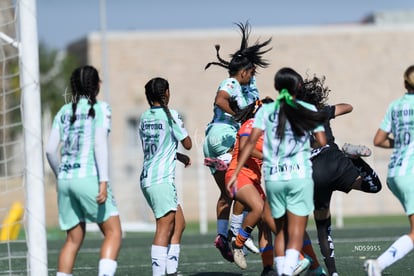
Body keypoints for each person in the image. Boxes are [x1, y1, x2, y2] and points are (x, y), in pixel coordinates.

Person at [227, 67, 328, 276]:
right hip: (298, 176)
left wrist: (235, 172)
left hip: (274, 178)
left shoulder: (265, 112)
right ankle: (294, 266)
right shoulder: (305, 107)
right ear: (298, 87)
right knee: (296, 230)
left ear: (276, 87)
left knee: (278, 228)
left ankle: (281, 269)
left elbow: (250, 144)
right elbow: (322, 141)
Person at [296, 74, 382, 276]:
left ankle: (333, 272)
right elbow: (348, 107)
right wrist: (327, 109)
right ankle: (354, 158)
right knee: (374, 186)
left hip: (313, 173)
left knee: (322, 226)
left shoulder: (291, 116)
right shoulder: (320, 110)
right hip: (335, 161)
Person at [203, 21, 272, 262]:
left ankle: (222, 236)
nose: (252, 77)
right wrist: (239, 114)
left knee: (228, 192)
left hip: (213, 138)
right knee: (242, 183)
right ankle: (236, 232)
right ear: (244, 72)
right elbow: (220, 99)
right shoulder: (231, 83)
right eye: (251, 73)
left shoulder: (243, 86)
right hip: (224, 136)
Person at [45, 65, 122, 276]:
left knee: (73, 239)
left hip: (65, 181)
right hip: (88, 179)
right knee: (113, 233)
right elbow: (99, 144)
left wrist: (61, 175)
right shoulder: (101, 108)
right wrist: (103, 181)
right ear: (96, 85)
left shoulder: (63, 111)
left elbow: (50, 150)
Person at [139, 77, 192, 276]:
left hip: (148, 178)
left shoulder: (144, 117)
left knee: (179, 224)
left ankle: (171, 271)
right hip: (160, 181)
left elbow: (156, 149)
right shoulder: (171, 116)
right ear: (167, 93)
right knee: (164, 228)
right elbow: (188, 143)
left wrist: (178, 156)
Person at [364, 65, 414, 276]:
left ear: (405, 83)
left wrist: (403, 144)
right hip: (410, 172)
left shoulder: (395, 105)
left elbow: (379, 139)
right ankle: (378, 265)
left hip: (395, 172)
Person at [224, 99, 276, 275]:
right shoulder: (251, 123)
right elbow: (247, 147)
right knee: (258, 208)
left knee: (265, 222)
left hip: (253, 180)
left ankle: (268, 268)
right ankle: (237, 243)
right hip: (238, 175)